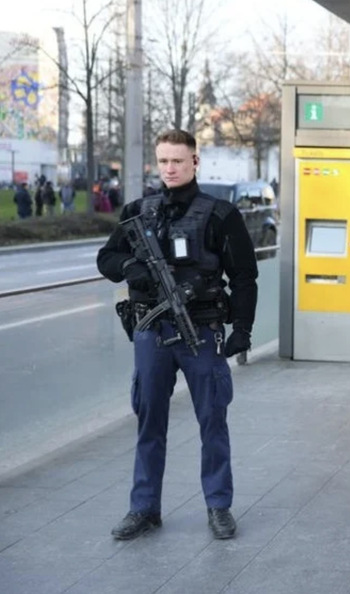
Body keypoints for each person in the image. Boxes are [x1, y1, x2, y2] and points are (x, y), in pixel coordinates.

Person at [97, 128, 258, 541]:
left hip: (200, 331)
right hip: (152, 329)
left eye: (178, 160)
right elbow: (107, 257)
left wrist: (242, 328)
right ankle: (144, 508)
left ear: (194, 162)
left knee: (212, 420)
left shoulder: (221, 214)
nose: (170, 168)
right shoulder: (138, 210)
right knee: (150, 421)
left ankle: (218, 505)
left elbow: (244, 277)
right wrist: (129, 268)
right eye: (164, 161)